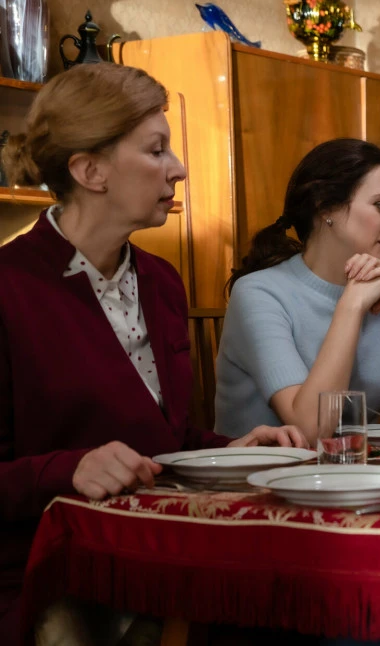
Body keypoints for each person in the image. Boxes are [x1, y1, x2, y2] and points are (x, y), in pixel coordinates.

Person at [0, 63, 305, 641]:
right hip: (47, 574)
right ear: (90, 171)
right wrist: (69, 468)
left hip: (154, 552)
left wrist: (231, 450)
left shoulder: (162, 281)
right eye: (156, 149)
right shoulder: (9, 285)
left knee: (295, 598)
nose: (179, 167)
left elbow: (167, 442)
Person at [214, 138, 380, 441]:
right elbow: (309, 431)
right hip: (261, 468)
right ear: (325, 206)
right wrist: (351, 306)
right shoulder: (257, 293)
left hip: (350, 466)